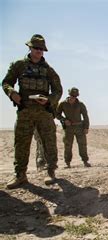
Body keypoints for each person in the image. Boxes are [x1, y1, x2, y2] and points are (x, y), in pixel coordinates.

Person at [2, 34, 62, 189]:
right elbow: (6, 82)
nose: (39, 52)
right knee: (21, 143)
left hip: (44, 112)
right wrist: (12, 93)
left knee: (49, 143)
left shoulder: (48, 70)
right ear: (30, 48)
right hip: (25, 111)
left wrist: (49, 100)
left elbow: (58, 90)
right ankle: (20, 175)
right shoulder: (19, 65)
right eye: (36, 48)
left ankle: (51, 173)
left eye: (42, 49)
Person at [56, 87, 91, 168]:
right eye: (72, 96)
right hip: (68, 128)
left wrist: (86, 127)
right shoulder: (63, 104)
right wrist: (64, 120)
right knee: (68, 145)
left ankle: (85, 161)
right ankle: (67, 163)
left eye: (75, 96)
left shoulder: (81, 104)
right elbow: (57, 114)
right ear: (69, 95)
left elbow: (85, 116)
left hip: (80, 127)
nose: (73, 98)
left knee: (82, 145)